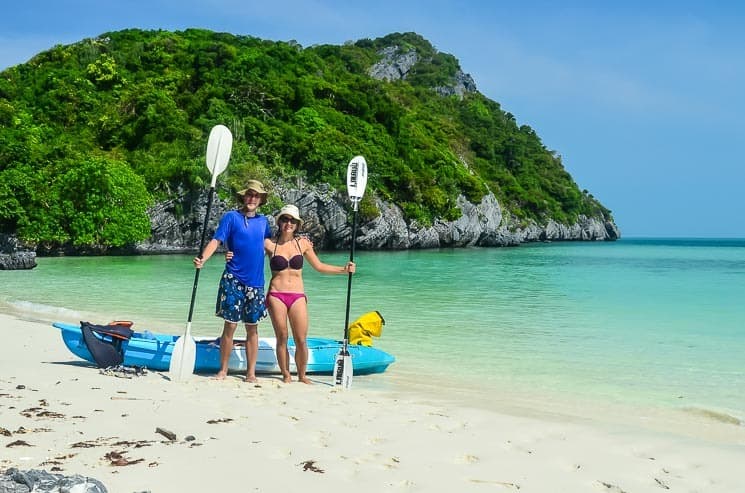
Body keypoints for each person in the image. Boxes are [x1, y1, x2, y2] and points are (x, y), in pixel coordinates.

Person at [264, 204, 355, 384]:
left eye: (292, 220)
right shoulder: (268, 243)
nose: (288, 223)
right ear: (279, 222)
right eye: (285, 219)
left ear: (297, 224)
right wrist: (230, 256)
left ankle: (302, 375)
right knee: (282, 337)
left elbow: (319, 266)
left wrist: (343, 270)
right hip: (276, 295)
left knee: (301, 339)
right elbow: (250, 256)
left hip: (297, 295)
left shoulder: (303, 243)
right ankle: (286, 375)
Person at [193, 180, 271, 382]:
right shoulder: (231, 217)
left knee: (252, 328)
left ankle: (251, 373)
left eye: (256, 195)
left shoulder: (264, 222)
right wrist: (203, 259)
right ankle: (223, 370)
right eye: (249, 194)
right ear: (244, 197)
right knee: (230, 326)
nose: (252, 198)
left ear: (261, 200)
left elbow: (271, 247)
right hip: (233, 279)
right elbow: (216, 240)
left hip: (256, 283)